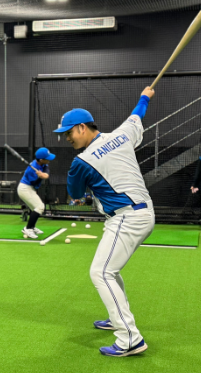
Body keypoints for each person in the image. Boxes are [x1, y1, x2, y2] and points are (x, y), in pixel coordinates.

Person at [56, 86, 156, 357]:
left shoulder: (81, 161)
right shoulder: (121, 134)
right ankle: (117, 321)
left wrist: (81, 178)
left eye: (68, 132)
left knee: (100, 272)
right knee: (110, 270)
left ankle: (129, 338)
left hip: (127, 218)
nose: (66, 138)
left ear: (81, 128)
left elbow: (75, 195)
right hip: (142, 212)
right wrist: (144, 96)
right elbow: (137, 115)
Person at [18, 148, 55, 239]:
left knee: (36, 209)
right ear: (41, 159)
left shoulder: (43, 163)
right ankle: (28, 229)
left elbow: (46, 171)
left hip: (30, 189)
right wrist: (39, 177)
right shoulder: (30, 170)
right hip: (25, 189)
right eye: (47, 158)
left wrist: (43, 175)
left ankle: (32, 227)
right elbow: (34, 183)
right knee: (40, 207)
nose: (49, 160)